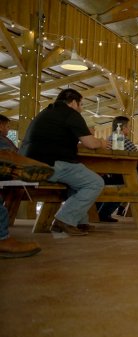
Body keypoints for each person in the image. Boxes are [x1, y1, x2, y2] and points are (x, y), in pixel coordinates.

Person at [20, 89, 107, 236]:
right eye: (81, 105)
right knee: (95, 182)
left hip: (29, 162)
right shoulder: (71, 114)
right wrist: (102, 143)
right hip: (50, 164)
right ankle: (64, 220)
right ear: (73, 102)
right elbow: (91, 144)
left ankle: (80, 221)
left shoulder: (46, 113)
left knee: (78, 181)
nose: (81, 108)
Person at [0, 115, 41, 258]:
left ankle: (17, 164)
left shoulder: (6, 139)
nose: (7, 129)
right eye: (6, 126)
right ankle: (1, 239)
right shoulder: (3, 139)